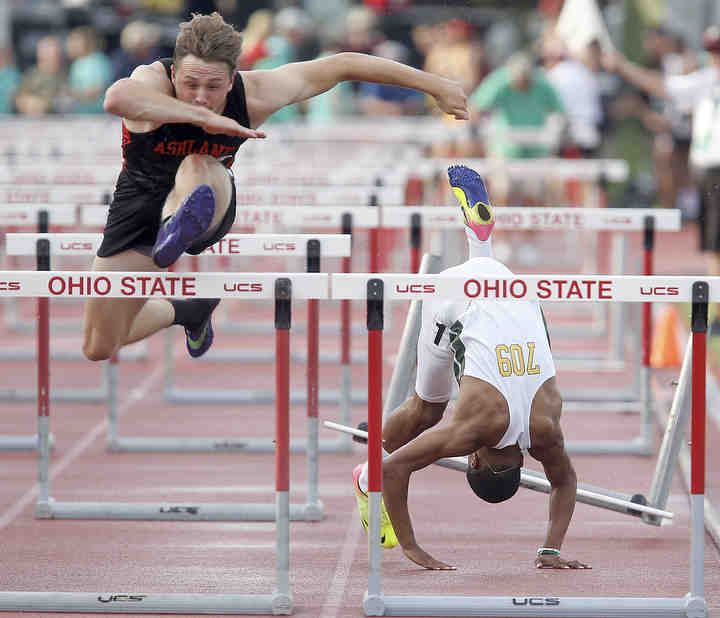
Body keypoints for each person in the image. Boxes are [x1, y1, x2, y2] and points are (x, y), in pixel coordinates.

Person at [83, 11, 468, 363]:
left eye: (214, 87)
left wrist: (434, 84)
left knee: (198, 164)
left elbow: (343, 64)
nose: (201, 95)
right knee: (100, 345)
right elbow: (117, 97)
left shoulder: (255, 93)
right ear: (172, 76)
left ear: (233, 79)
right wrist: (200, 117)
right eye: (190, 84)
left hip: (208, 196)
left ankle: (177, 225)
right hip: (138, 205)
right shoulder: (151, 78)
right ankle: (186, 310)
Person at [352, 165, 589, 571]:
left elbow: (566, 483)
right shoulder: (471, 432)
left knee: (497, 314)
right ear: (474, 460)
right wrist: (412, 547)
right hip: (452, 294)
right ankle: (361, 475)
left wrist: (552, 549)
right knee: (427, 408)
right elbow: (394, 470)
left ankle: (482, 242)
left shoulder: (545, 432)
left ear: (520, 460)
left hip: (512, 285)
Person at [602, 25, 720, 334]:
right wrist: (625, 69)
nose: (715, 56)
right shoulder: (708, 80)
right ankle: (718, 313)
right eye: (712, 50)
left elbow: (665, 87)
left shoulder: (707, 80)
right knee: (712, 246)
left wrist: (624, 67)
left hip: (715, 167)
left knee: (715, 245)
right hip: (708, 170)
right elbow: (665, 87)